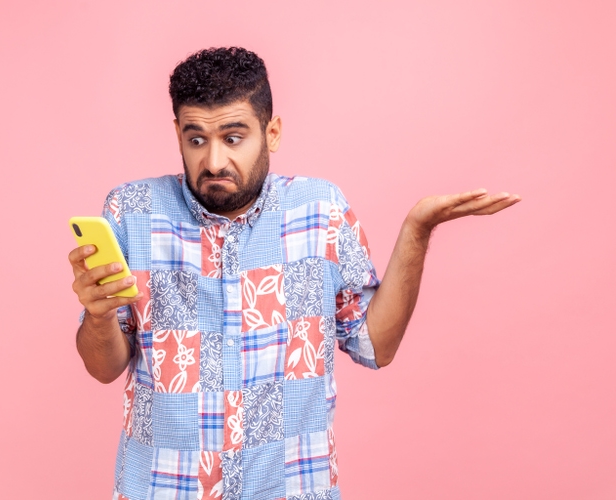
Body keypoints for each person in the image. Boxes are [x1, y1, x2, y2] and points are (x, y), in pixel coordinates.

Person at [67, 47, 520, 500]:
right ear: (178, 134)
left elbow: (376, 345)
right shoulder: (132, 212)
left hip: (288, 489)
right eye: (197, 139)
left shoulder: (321, 211)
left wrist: (417, 229)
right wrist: (99, 315)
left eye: (233, 137)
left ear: (272, 132)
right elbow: (103, 368)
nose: (214, 162)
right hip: (162, 488)